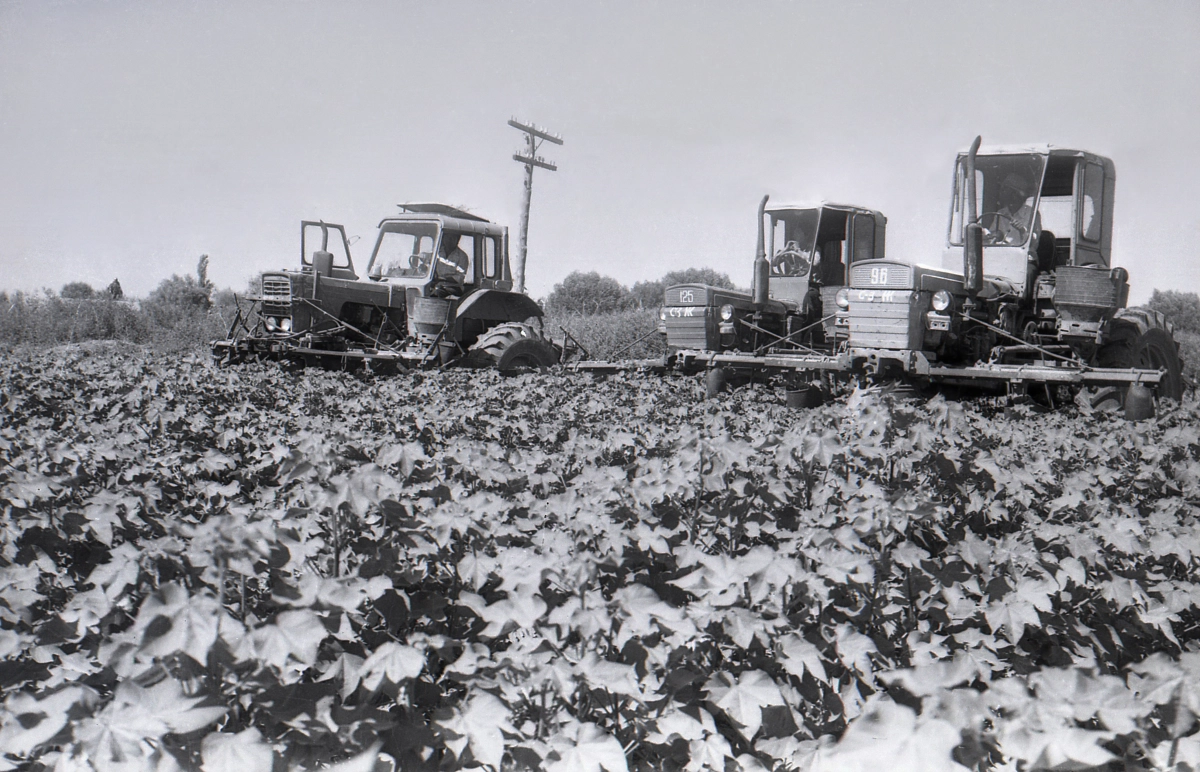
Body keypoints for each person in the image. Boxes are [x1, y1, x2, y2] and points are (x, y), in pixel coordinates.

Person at [986, 172, 1040, 246]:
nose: (1001, 193)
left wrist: (1022, 231)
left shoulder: (1032, 213)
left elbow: (1036, 243)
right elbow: (991, 236)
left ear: (1014, 194)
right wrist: (993, 234)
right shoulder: (1000, 213)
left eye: (1004, 189)